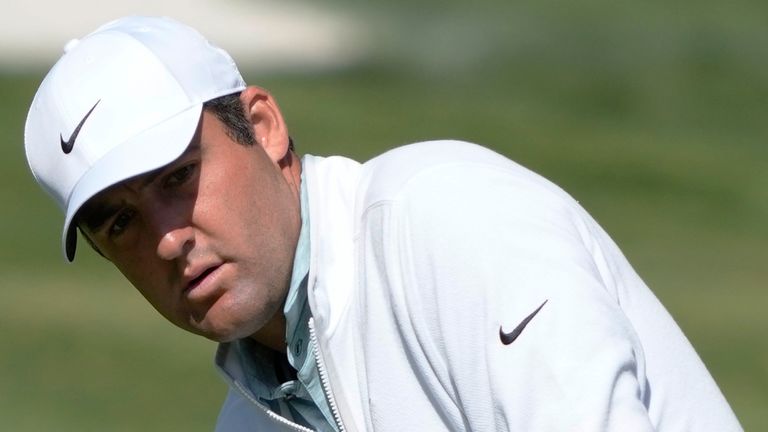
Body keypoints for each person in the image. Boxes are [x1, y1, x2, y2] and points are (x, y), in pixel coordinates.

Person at [24, 16, 742, 432]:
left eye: (178, 177)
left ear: (265, 127)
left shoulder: (446, 218)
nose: (166, 237)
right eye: (118, 223)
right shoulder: (246, 421)